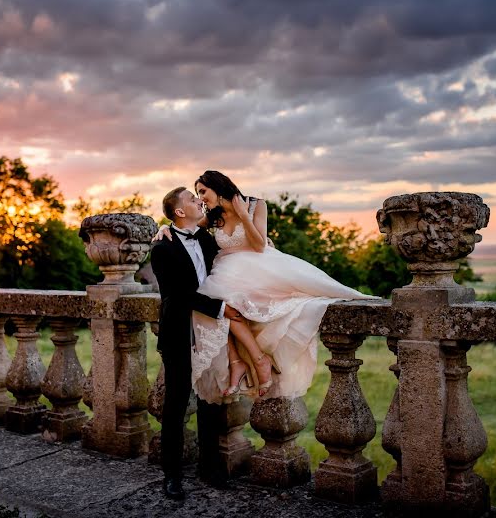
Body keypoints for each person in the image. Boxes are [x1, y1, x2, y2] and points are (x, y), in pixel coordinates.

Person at [156, 170, 378, 405]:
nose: (200, 198)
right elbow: (183, 226)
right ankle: (244, 361)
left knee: (282, 299)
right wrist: (163, 228)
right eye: (196, 195)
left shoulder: (255, 205)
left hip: (255, 266)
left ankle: (252, 361)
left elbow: (260, 245)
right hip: (227, 270)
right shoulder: (212, 215)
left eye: (202, 192)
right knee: (216, 302)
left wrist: (243, 215)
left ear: (217, 187)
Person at [149, 186, 244, 500]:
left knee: (211, 401)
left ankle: (210, 467)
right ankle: (172, 476)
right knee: (175, 405)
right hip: (179, 332)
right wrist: (221, 309)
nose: (199, 200)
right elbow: (177, 295)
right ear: (179, 211)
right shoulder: (162, 248)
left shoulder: (205, 239)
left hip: (210, 331)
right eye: (192, 199)